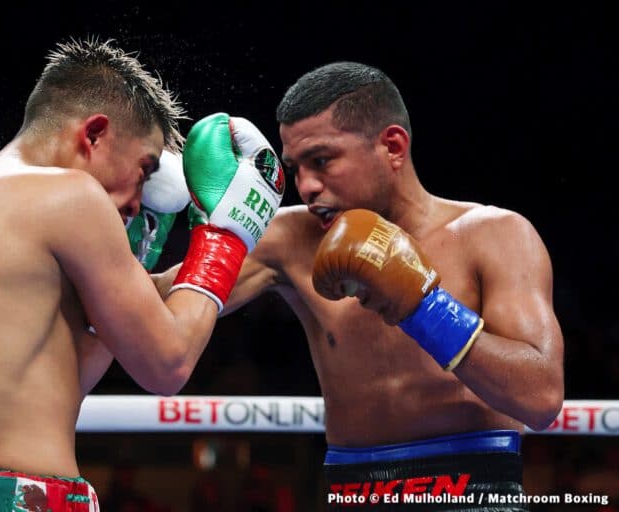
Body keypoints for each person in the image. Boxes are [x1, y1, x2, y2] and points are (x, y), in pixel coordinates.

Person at [0, 37, 282, 512]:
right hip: (21, 498)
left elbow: (65, 378)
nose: (137, 201)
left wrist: (147, 262)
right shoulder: (70, 196)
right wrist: (226, 236)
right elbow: (168, 363)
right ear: (93, 134)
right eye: (144, 168)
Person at [156, 62, 563, 510]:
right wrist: (150, 232)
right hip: (350, 492)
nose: (307, 186)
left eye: (323, 161)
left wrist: (423, 307)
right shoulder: (291, 239)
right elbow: (147, 309)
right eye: (295, 168)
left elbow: (540, 398)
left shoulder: (494, 234)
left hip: (476, 492)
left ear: (392, 146)